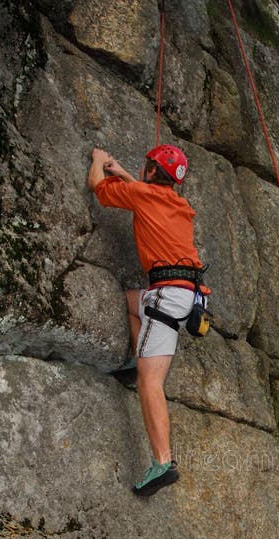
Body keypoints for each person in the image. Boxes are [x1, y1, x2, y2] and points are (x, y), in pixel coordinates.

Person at [87, 143, 207, 497]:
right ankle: (135, 360)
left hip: (166, 295)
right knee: (126, 302)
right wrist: (123, 171)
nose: (142, 170)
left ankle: (162, 463)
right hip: (187, 295)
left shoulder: (142, 193)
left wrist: (98, 161)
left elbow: (99, 188)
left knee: (151, 382)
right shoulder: (179, 204)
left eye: (147, 166)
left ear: (153, 172)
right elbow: (144, 192)